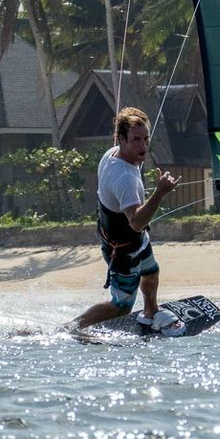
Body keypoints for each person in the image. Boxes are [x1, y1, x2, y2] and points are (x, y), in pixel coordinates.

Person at [70, 107, 184, 336]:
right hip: (122, 249)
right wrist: (160, 193)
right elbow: (136, 223)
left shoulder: (114, 153)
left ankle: (151, 311)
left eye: (145, 139)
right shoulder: (124, 178)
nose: (142, 146)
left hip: (130, 239)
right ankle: (73, 328)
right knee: (121, 306)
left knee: (151, 272)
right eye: (135, 140)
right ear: (121, 139)